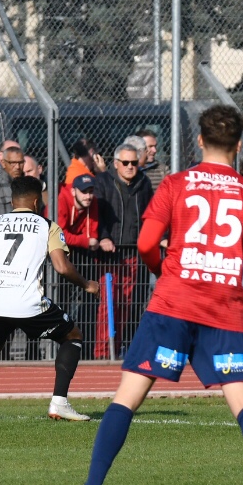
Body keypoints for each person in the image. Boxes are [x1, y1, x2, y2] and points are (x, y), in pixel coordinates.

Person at [54, 104, 243, 485]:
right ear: (238, 145)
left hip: (173, 303)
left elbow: (146, 244)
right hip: (224, 309)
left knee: (126, 398)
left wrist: (162, 270)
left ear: (199, 140)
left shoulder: (176, 184)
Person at [0, 175, 99, 423]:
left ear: (12, 200)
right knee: (73, 336)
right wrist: (87, 284)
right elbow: (61, 266)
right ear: (37, 201)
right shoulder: (47, 225)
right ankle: (59, 403)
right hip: (28, 304)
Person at [93, 142, 155, 351]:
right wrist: (103, 237)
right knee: (107, 304)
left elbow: (149, 213)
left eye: (134, 163)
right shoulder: (102, 182)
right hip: (108, 254)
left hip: (132, 252)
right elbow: (96, 214)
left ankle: (116, 349)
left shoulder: (143, 183)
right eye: (126, 162)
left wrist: (156, 238)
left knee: (126, 304)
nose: (130, 167)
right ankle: (102, 352)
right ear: (116, 163)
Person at [57, 173, 105, 351]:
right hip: (60, 255)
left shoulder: (93, 204)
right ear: (73, 191)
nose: (88, 196)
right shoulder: (61, 200)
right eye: (84, 192)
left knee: (89, 301)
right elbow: (59, 233)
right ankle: (53, 347)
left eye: (91, 191)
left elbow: (93, 230)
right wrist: (85, 241)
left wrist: (88, 240)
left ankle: (86, 348)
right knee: (59, 301)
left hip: (82, 256)